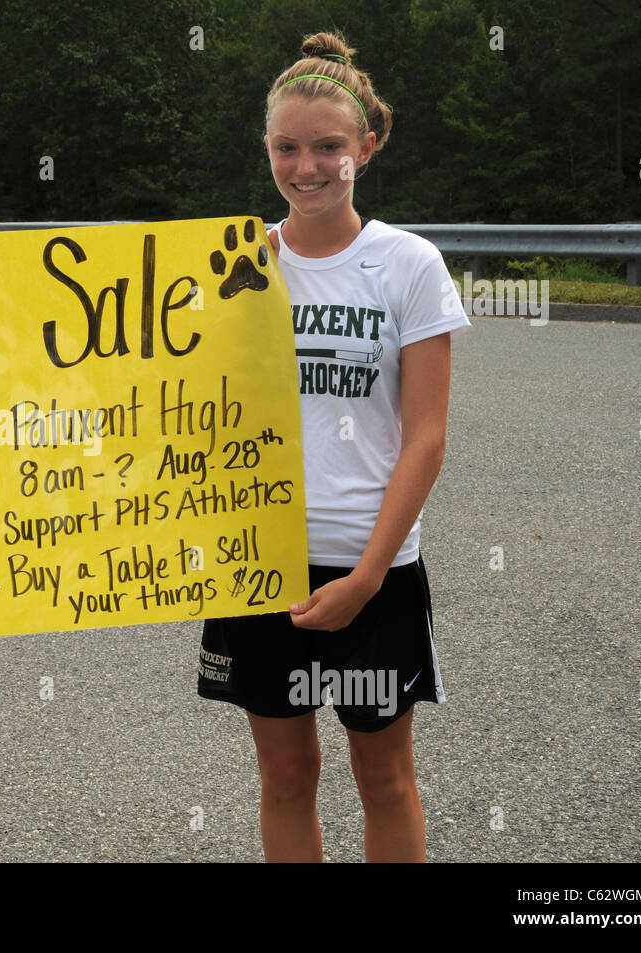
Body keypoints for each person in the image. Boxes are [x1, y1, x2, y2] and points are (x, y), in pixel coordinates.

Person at [197, 32, 470, 862]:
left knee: (383, 778)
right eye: (287, 147)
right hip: (258, 563)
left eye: (329, 147)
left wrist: (367, 574)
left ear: (368, 146)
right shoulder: (235, 264)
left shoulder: (406, 264)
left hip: (373, 566)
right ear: (266, 148)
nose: (306, 166)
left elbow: (426, 436)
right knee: (285, 777)